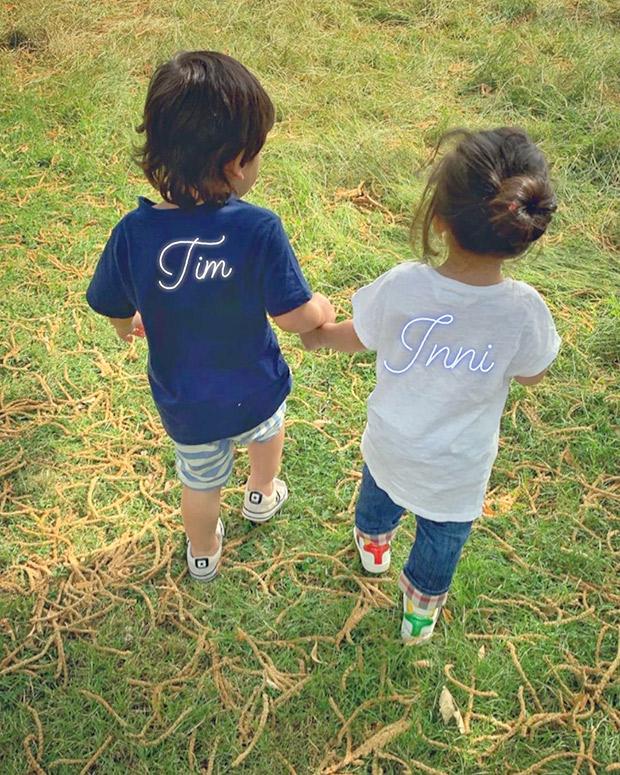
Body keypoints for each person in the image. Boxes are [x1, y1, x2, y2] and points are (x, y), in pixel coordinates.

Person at [301, 127, 561, 644]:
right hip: (457, 468)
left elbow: (361, 335)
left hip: (392, 442)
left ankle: (374, 551)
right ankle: (417, 617)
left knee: (378, 497)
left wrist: (319, 336)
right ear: (521, 234)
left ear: (439, 219)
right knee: (442, 539)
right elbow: (534, 373)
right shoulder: (524, 312)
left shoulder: (404, 284)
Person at [86, 51, 334, 582]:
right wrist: (322, 310)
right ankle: (262, 493)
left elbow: (114, 305)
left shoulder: (134, 234)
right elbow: (293, 316)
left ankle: (203, 552)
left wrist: (127, 327)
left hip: (186, 401)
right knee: (267, 434)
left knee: (198, 482)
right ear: (235, 163)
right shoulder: (258, 229)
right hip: (255, 386)